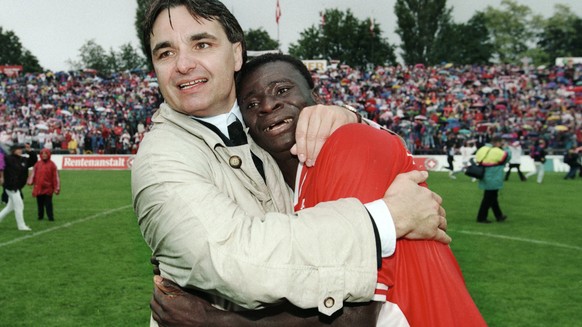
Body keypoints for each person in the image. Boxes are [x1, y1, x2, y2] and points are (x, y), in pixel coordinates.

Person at [133, 0, 448, 323]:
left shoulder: (263, 124)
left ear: (237, 54)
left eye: (201, 44)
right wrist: (385, 220)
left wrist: (345, 118)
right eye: (165, 53)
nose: (183, 64)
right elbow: (242, 262)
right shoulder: (160, 159)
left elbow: (374, 154)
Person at [0, 143, 37, 231]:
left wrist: (30, 151)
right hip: (11, 187)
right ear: (13, 150)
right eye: (18, 149)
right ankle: (21, 226)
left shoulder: (23, 159)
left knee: (10, 207)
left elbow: (33, 160)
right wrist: (1, 177)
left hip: (17, 186)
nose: (20, 150)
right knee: (19, 206)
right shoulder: (7, 158)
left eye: (21, 149)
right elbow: (1, 165)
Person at [475, 137, 510, 223]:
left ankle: (499, 215)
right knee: (488, 198)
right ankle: (481, 217)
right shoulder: (498, 152)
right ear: (498, 143)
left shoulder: (484, 149)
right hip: (494, 176)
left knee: (493, 197)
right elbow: (508, 157)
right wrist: (506, 148)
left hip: (485, 175)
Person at [29, 148, 60, 221]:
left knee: (48, 203)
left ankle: (50, 217)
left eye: (45, 154)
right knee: (40, 203)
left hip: (48, 188)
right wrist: (30, 181)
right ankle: (40, 216)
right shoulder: (37, 164)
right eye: (42, 154)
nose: (44, 155)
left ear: (48, 155)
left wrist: (56, 188)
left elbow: (55, 177)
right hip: (39, 187)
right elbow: (33, 173)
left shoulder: (52, 165)